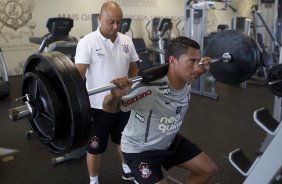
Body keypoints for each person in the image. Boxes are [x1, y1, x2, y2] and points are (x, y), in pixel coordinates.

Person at [103, 36, 218, 184]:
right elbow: (108, 108)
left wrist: (202, 68)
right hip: (140, 150)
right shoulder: (149, 89)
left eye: (199, 61)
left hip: (167, 139)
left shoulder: (187, 77)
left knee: (208, 170)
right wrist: (115, 96)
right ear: (172, 61)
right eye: (191, 61)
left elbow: (196, 70)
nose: (197, 68)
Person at [74, 1, 139, 184]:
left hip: (123, 102)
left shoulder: (126, 41)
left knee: (125, 142)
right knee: (95, 147)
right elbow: (78, 76)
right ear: (99, 18)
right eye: (111, 21)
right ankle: (94, 181)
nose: (116, 26)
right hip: (97, 106)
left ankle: (127, 170)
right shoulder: (87, 42)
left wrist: (131, 89)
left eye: (119, 22)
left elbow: (134, 69)